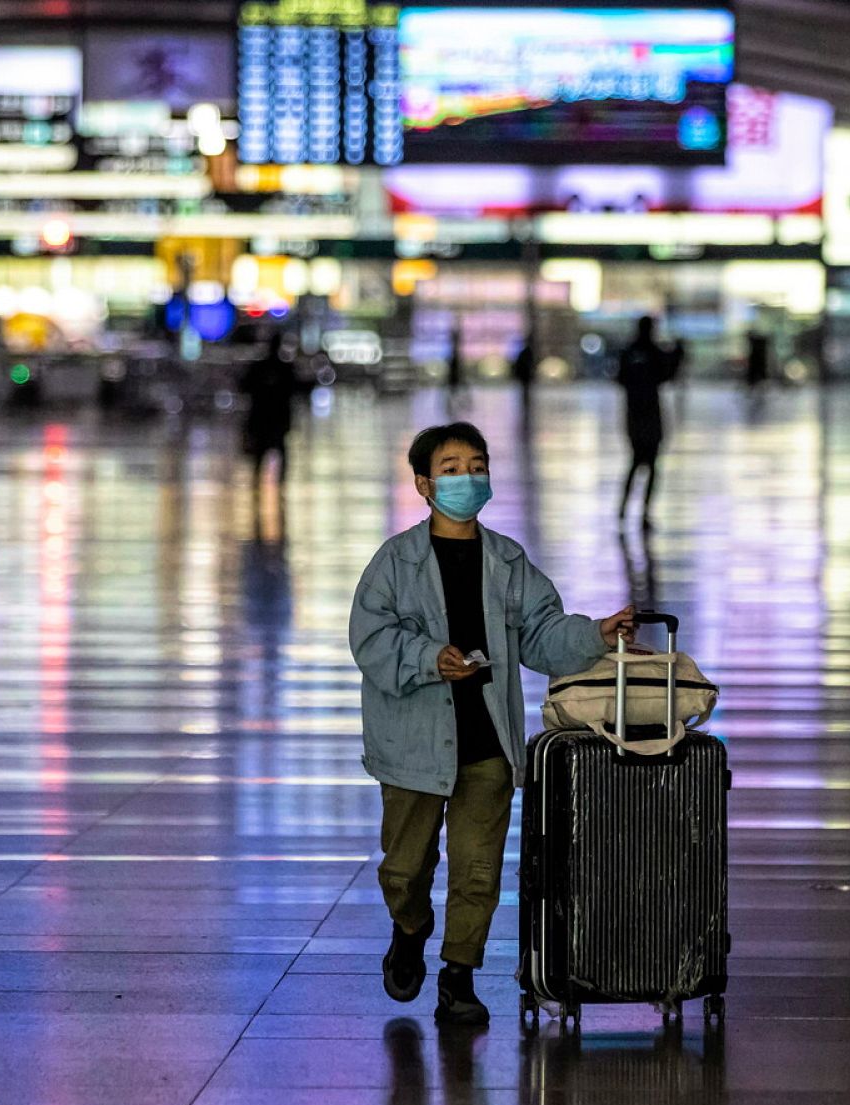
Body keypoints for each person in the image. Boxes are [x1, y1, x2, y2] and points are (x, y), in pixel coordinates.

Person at [349, 422, 635, 1026]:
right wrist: (430, 658)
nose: (467, 478)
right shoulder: (394, 563)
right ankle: (411, 925)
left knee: (478, 872)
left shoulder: (507, 561)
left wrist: (594, 633)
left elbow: (541, 632)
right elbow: (370, 639)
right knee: (404, 868)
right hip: (414, 746)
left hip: (489, 744)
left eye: (476, 465)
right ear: (425, 485)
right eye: (450, 469)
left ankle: (459, 976)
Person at [617, 316, 673, 528]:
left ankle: (624, 509)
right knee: (648, 465)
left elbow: (620, 379)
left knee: (636, 463)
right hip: (649, 415)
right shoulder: (654, 352)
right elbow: (666, 376)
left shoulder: (630, 352)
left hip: (635, 415)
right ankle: (642, 511)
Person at [243, 330, 298, 483]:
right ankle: (277, 482)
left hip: (265, 417)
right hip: (274, 417)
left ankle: (261, 482)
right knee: (274, 450)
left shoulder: (263, 367)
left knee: (263, 453)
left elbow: (245, 386)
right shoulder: (284, 369)